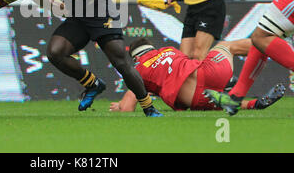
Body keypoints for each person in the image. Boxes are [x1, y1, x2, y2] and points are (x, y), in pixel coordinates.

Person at [109, 37, 285, 112]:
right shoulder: (168, 50)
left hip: (193, 99)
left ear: (136, 58)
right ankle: (271, 45)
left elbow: (128, 107)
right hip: (212, 73)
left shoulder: (138, 70)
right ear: (152, 49)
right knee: (226, 46)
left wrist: (120, 107)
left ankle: (255, 104)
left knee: (219, 101)